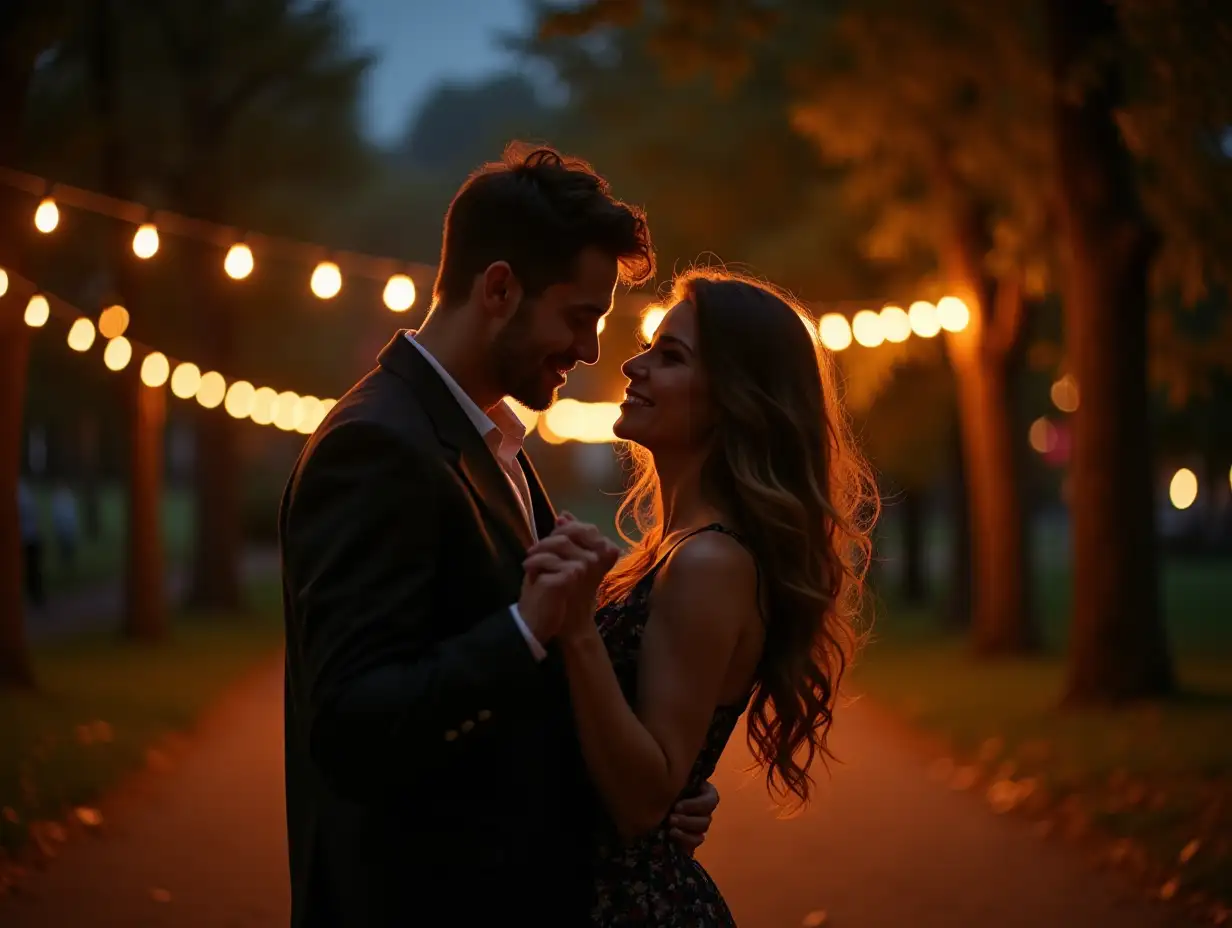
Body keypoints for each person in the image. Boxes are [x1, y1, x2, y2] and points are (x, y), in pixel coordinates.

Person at [278, 144, 719, 928]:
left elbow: (527, 709)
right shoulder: (377, 446)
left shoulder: (492, 445)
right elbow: (351, 726)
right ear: (500, 289)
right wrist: (524, 630)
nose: (590, 352)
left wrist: (656, 787)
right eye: (579, 317)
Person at [522, 270, 878, 925]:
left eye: (671, 357)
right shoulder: (670, 550)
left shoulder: (709, 561)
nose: (632, 365)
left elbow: (642, 800)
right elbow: (657, 755)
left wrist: (576, 628)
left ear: (736, 400)